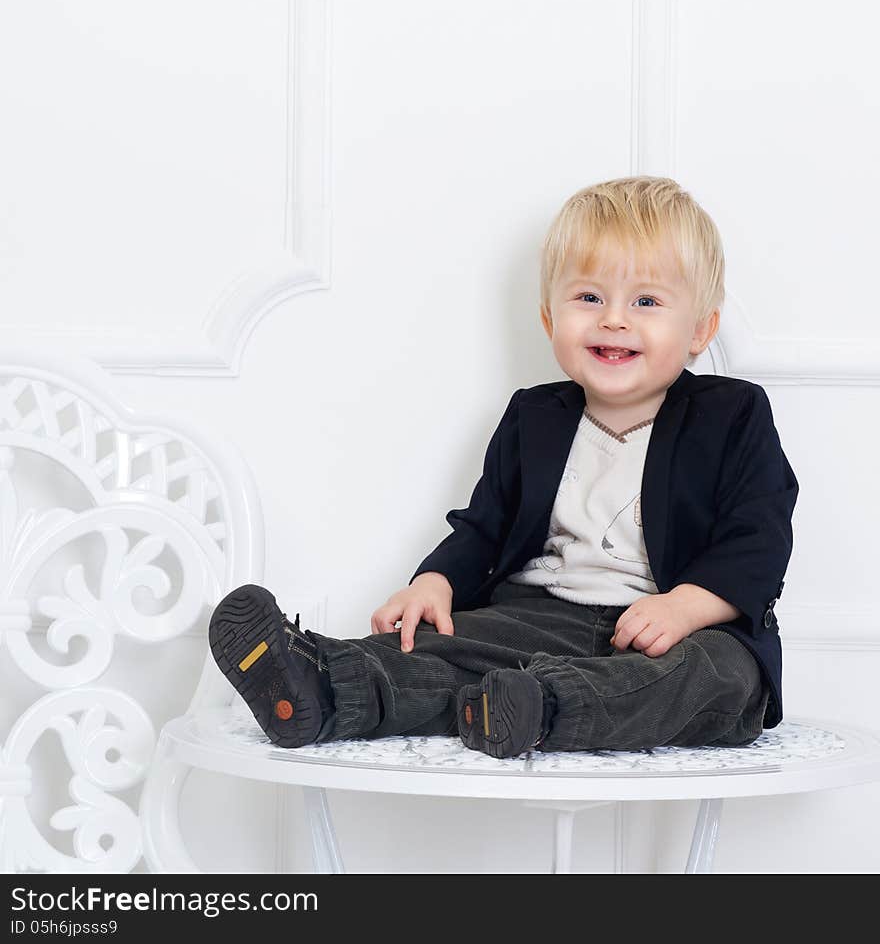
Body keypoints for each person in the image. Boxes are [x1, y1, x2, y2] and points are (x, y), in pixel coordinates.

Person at [208, 175, 798, 759]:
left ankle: (543, 709)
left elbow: (759, 538)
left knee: (719, 675)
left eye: (646, 301)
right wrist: (433, 582)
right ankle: (323, 684)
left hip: (673, 634)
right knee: (443, 648)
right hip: (540, 619)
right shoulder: (533, 417)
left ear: (700, 328)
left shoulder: (732, 414)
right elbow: (484, 528)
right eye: (589, 298)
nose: (614, 319)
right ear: (550, 319)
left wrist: (684, 606)